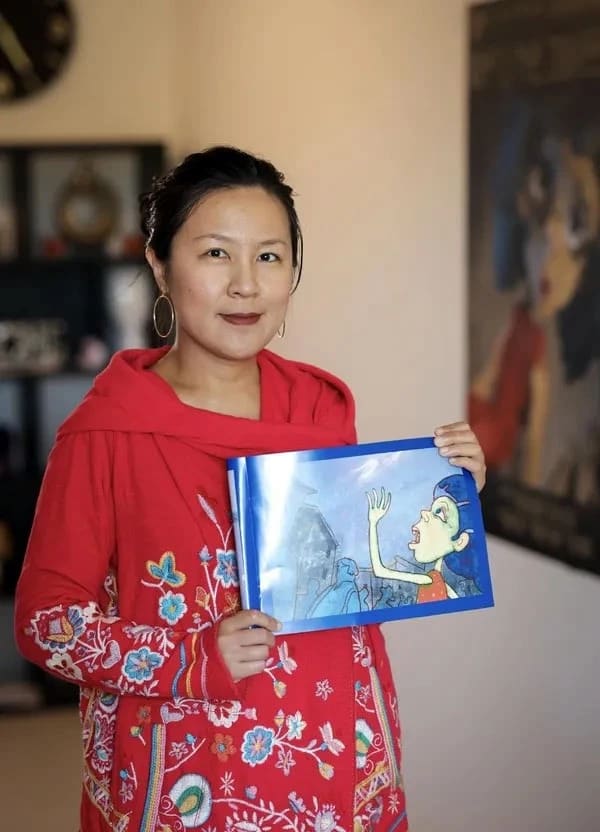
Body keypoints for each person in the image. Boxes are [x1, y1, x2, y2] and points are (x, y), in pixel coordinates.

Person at [14, 146, 486, 832]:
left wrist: (449, 495)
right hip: (188, 784)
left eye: (269, 256)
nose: (246, 285)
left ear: (294, 270)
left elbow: (361, 578)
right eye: (214, 254)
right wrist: (189, 657)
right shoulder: (105, 434)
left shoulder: (319, 411)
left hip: (338, 768)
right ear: (159, 266)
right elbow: (44, 621)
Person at [367, 475, 482, 603]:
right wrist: (372, 523)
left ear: (460, 541)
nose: (423, 512)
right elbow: (379, 570)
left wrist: (373, 523)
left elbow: (380, 570)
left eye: (439, 512)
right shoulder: (435, 579)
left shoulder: (431, 580)